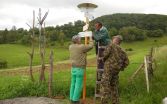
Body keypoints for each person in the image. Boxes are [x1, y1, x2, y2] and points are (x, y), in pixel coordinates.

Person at [100, 35, 129, 104]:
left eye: (113, 38)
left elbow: (105, 55)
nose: (112, 40)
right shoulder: (123, 51)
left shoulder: (111, 46)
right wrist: (120, 68)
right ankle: (115, 102)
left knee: (105, 85)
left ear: (116, 40)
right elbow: (127, 62)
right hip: (116, 71)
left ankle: (104, 102)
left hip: (108, 69)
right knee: (114, 86)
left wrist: (103, 60)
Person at [69, 35, 93, 104]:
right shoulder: (81, 47)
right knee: (78, 85)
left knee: (73, 84)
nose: (80, 40)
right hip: (80, 68)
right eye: (79, 39)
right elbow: (91, 46)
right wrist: (90, 39)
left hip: (73, 67)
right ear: (77, 40)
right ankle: (75, 100)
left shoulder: (70, 46)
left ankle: (71, 98)